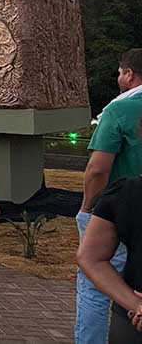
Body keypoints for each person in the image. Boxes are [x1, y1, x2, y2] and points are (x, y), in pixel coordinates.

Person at [77, 48, 142, 343]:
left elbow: (98, 169)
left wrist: (88, 207)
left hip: (119, 212)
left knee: (95, 285)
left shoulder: (119, 108)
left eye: (119, 72)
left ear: (129, 74)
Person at [77, 175, 142, 342]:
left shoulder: (127, 191)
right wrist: (135, 304)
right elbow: (90, 257)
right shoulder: (128, 191)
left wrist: (135, 305)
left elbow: (90, 257)